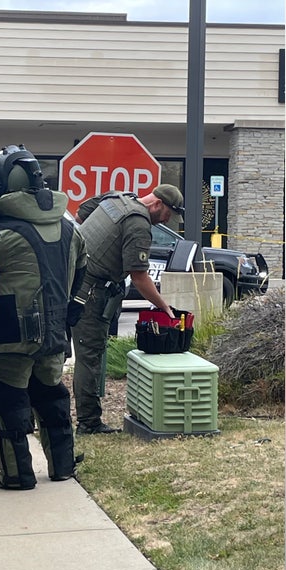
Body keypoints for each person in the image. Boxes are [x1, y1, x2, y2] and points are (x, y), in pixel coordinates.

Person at [0, 145, 88, 490]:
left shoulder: (1, 235)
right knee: (52, 398)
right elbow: (83, 269)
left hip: (12, 334)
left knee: (8, 402)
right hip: (54, 334)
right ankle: (62, 466)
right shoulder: (71, 230)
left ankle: (17, 474)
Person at [71, 184, 182, 435]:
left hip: (73, 281)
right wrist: (165, 307)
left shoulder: (116, 198)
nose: (167, 221)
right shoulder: (138, 223)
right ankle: (88, 423)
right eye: (168, 215)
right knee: (89, 355)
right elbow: (140, 276)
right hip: (91, 292)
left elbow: (80, 216)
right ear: (157, 205)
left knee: (76, 352)